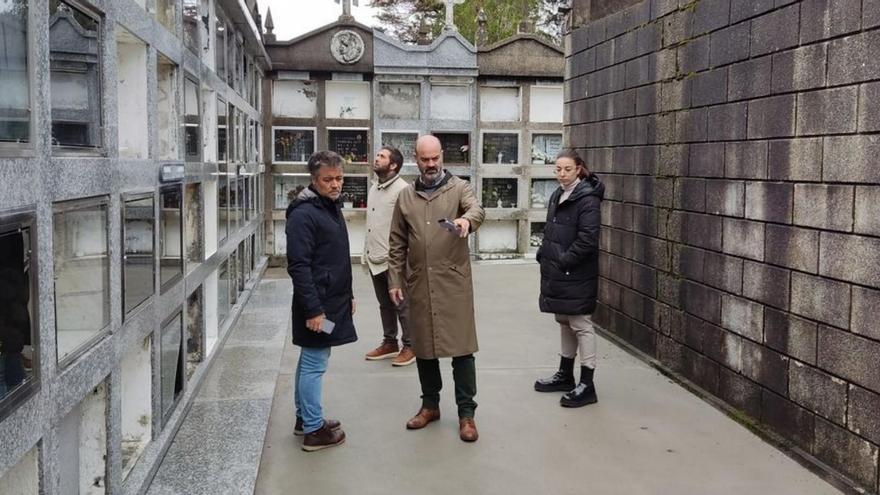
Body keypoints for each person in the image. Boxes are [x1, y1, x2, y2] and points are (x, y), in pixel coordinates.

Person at [387, 135, 485, 442]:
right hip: (419, 282)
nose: (431, 164)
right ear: (416, 159)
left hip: (452, 282)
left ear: (442, 156)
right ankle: (430, 406)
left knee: (461, 349)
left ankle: (466, 414)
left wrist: (467, 222)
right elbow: (397, 242)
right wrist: (394, 280)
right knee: (424, 349)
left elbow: (476, 210)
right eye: (425, 159)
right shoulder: (405, 196)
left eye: (435, 158)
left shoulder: (459, 188)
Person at [286, 150, 357, 451]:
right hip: (318, 306)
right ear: (314, 180)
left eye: (339, 178)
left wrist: (349, 294)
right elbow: (299, 266)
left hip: (332, 301)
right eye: (328, 180)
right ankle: (315, 430)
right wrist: (314, 310)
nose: (335, 184)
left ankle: (305, 419)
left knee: (310, 359)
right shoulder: (304, 214)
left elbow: (335, 258)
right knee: (315, 361)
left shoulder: (328, 206)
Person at [534, 149, 604, 408]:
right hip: (558, 272)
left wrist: (563, 260)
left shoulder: (587, 199)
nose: (561, 174)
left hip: (575, 273)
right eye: (558, 169)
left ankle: (587, 384)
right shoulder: (558, 195)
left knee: (581, 323)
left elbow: (587, 240)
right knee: (564, 320)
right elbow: (552, 230)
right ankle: (565, 374)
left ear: (578, 169)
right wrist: (545, 253)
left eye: (567, 169)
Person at [362, 146, 414, 366]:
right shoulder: (374, 188)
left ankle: (411, 346)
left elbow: (411, 227)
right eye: (377, 155)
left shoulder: (404, 190)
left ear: (393, 165)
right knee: (385, 304)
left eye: (381, 157)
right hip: (375, 257)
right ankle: (390, 342)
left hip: (394, 261)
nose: (376, 158)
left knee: (402, 305)